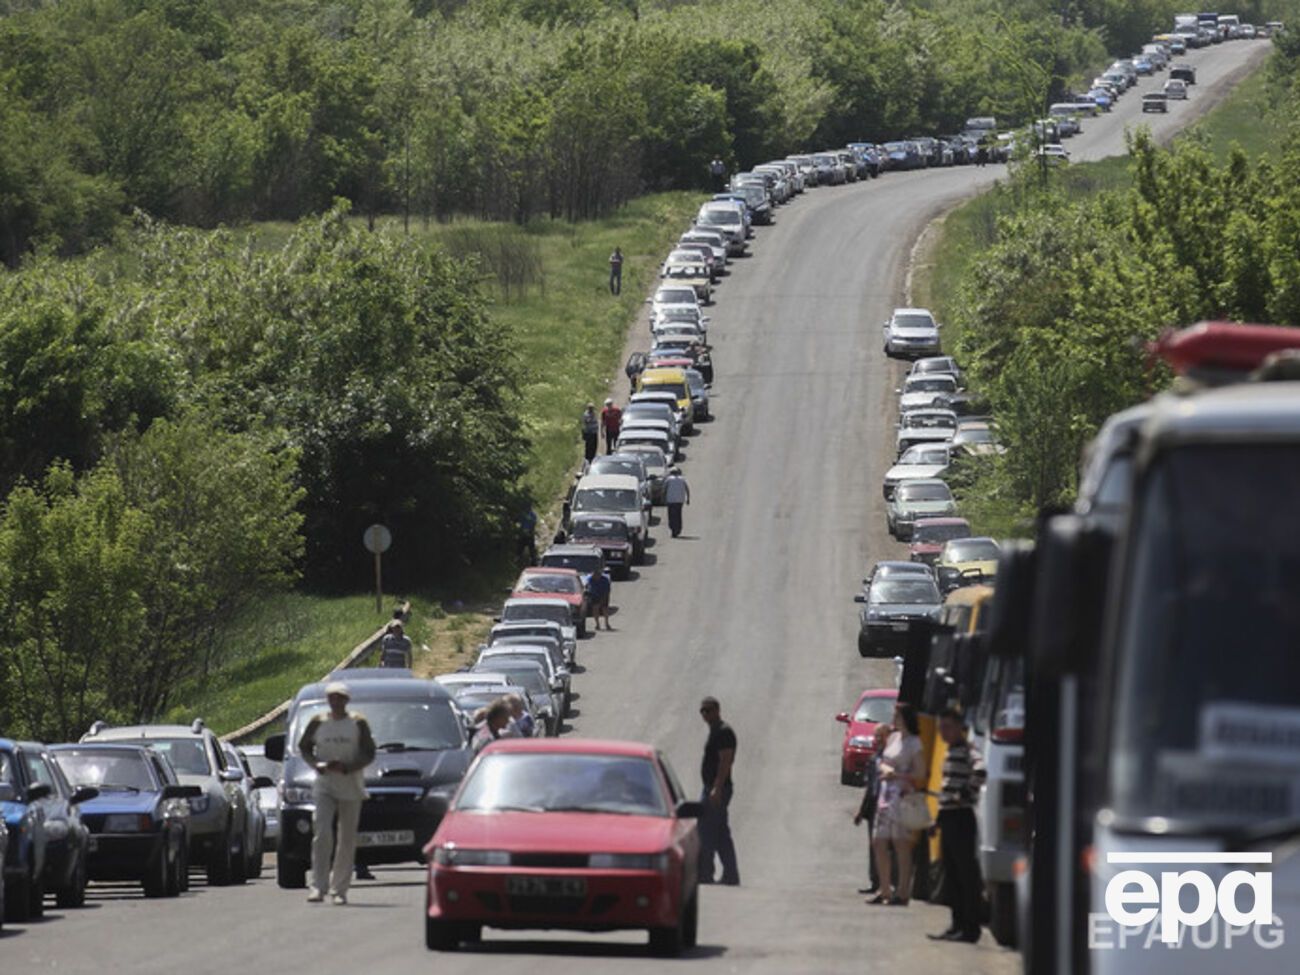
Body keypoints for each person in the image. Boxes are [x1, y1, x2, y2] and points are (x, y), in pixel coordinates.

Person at [298, 681, 376, 905]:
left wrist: (349, 766)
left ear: (346, 700)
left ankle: (339, 889)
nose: (336, 702)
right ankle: (318, 886)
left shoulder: (358, 723)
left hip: (350, 783)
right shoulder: (318, 722)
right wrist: (317, 764)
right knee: (322, 833)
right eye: (332, 697)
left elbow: (369, 752)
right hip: (324, 783)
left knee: (347, 838)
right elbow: (304, 747)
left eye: (340, 698)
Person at [928, 707, 987, 943]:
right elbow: (945, 791)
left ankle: (970, 927)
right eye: (941, 727)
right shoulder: (951, 751)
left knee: (966, 876)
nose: (944, 732)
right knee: (952, 875)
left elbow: (981, 772)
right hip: (949, 818)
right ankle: (957, 924)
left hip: (962, 818)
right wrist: (937, 821)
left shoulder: (967, 750)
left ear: (959, 728)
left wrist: (964, 794)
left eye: (948, 727)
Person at [868, 702, 927, 906]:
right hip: (886, 795)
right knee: (879, 842)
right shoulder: (893, 737)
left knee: (901, 844)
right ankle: (884, 889)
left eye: (897, 716)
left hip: (901, 796)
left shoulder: (914, 743)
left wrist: (898, 774)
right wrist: (885, 768)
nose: (893, 719)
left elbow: (920, 773)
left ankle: (902, 892)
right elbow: (883, 760)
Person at [698, 696, 739, 885]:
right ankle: (730, 875)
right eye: (702, 711)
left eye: (708, 710)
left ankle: (705, 873)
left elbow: (725, 761)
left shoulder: (724, 732)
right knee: (720, 832)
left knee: (706, 831)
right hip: (712, 788)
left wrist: (717, 788)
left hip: (717, 789)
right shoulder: (715, 731)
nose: (705, 714)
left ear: (717, 710)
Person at [853, 722, 894, 895]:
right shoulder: (873, 759)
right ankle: (875, 881)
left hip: (890, 805)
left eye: (881, 736)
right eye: (875, 736)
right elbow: (870, 788)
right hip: (874, 805)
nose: (877, 739)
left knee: (888, 845)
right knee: (874, 845)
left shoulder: (892, 758)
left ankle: (889, 883)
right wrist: (861, 812)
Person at [663, 467, 690, 537]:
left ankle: (673, 529)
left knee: (671, 516)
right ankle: (678, 528)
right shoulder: (682, 479)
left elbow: (664, 489)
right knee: (678, 515)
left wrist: (663, 498)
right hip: (679, 501)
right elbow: (687, 489)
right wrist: (688, 498)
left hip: (671, 501)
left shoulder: (668, 479)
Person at [588, 566, 612, 631]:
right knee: (595, 610)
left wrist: (604, 597)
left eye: (598, 573)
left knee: (605, 609)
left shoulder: (605, 580)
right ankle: (597, 624)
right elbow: (589, 588)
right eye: (595, 573)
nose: (596, 574)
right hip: (595, 596)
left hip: (604, 595)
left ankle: (607, 623)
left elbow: (608, 589)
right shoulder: (590, 579)